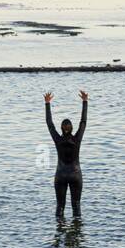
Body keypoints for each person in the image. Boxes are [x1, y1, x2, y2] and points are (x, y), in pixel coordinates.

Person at [44, 90, 87, 218]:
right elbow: (83, 122)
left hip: (61, 175)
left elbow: (49, 124)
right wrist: (85, 101)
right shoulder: (77, 139)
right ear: (72, 128)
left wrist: (47, 103)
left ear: (61, 128)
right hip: (75, 174)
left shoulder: (57, 139)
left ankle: (59, 232)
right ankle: (76, 234)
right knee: (76, 206)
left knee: (60, 206)